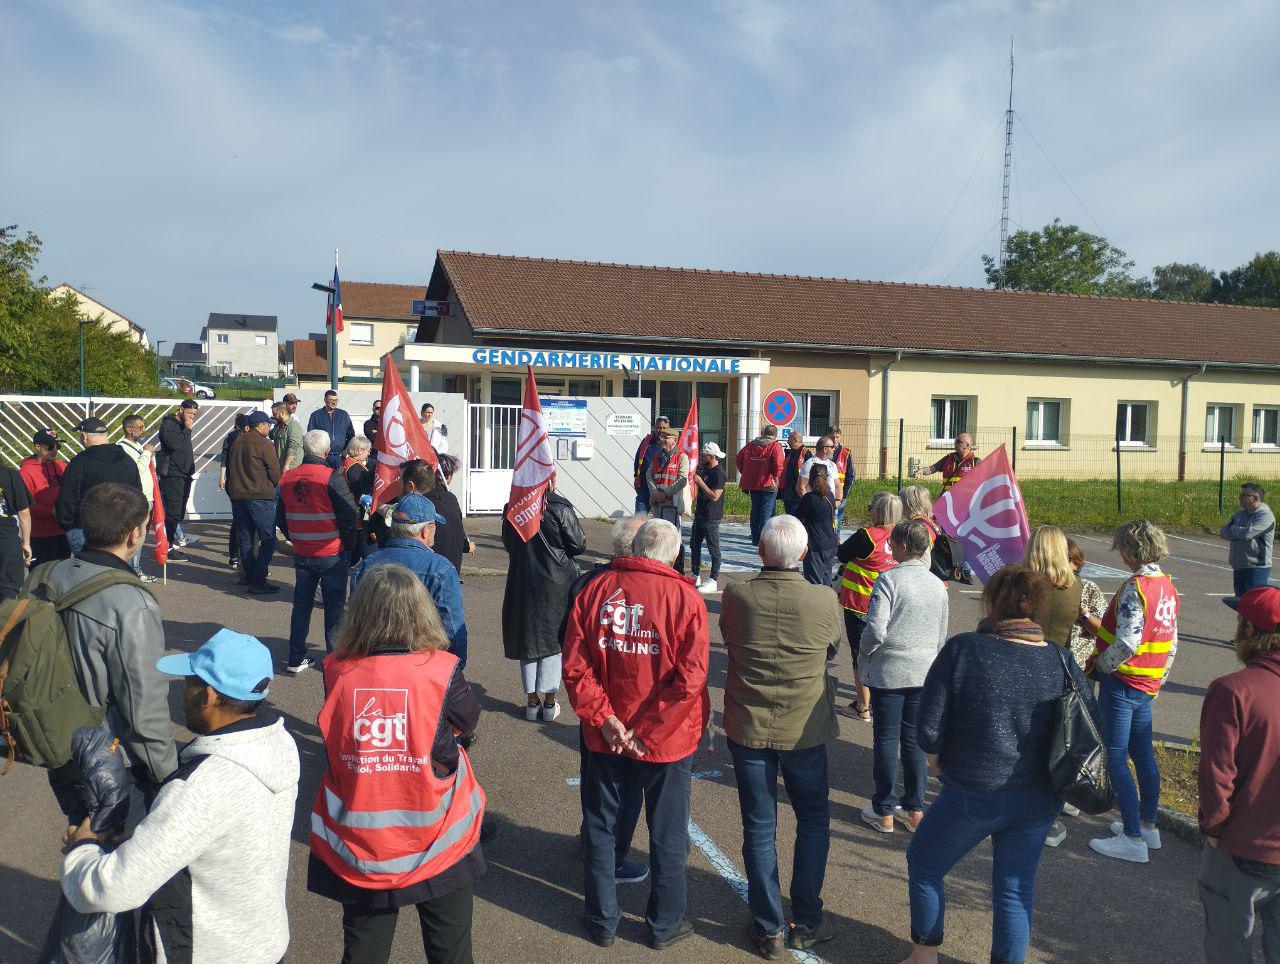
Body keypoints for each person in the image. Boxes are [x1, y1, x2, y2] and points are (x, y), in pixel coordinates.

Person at [60, 629, 299, 964]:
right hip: (265, 942)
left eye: (190, 682)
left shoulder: (201, 785)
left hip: (213, 954)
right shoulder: (281, 744)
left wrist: (82, 848)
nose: (183, 693)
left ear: (210, 695)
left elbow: (114, 888)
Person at [905, 566, 1098, 964]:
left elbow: (928, 728)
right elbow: (1090, 722)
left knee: (925, 863)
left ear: (991, 603)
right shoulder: (1061, 660)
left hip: (975, 790)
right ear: (1039, 608)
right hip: (1041, 797)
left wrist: (937, 762)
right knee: (1014, 888)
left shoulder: (964, 650)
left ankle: (924, 957)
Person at [308, 565, 484, 964]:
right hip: (439, 839)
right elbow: (467, 720)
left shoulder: (336, 670)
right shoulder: (440, 668)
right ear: (420, 612)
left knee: (363, 952)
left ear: (360, 613)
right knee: (451, 951)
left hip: (361, 844)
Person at [563, 518, 709, 950]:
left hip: (610, 736)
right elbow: (692, 678)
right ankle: (662, 925)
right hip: (665, 739)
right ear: (673, 553)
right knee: (666, 833)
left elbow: (575, 666)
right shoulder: (684, 597)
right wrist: (642, 730)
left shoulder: (595, 589)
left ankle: (602, 918)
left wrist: (607, 720)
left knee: (602, 824)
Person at [720, 515, 841, 956]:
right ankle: (806, 919)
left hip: (749, 725)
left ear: (760, 551)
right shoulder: (824, 599)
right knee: (812, 819)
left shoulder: (737, 596)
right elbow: (831, 650)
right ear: (805, 554)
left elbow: (730, 639)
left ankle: (768, 924)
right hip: (804, 728)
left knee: (759, 824)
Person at [42, 483, 177, 795]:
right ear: (133, 534)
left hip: (55, 736)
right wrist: (167, 776)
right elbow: (143, 705)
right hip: (109, 757)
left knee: (82, 835)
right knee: (118, 839)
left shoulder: (53, 574)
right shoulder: (131, 604)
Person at [563, 513, 652, 889]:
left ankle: (593, 843)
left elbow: (566, 644)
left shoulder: (585, 582)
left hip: (593, 706)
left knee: (596, 780)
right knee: (626, 789)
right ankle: (610, 858)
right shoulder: (638, 588)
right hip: (626, 711)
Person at [1086, 519, 1180, 863]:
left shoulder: (1134, 588)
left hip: (1124, 681)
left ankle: (1131, 836)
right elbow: (1171, 640)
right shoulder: (1167, 586)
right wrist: (1159, 680)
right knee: (1142, 754)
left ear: (1128, 550)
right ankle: (1147, 824)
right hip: (1148, 681)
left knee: (1115, 755)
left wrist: (1101, 665)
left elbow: (1127, 640)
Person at [1199, 586, 1280, 963]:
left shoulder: (1233, 691)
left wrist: (1214, 828)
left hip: (1242, 846)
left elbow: (1218, 774)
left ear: (1249, 629)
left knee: (1230, 947)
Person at [858, 520, 949, 835]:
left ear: (904, 547)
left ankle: (883, 808)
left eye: (893, 544)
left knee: (886, 738)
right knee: (913, 740)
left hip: (890, 670)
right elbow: (941, 635)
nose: (889, 548)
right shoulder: (937, 584)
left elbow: (876, 629)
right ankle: (914, 808)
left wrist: (865, 652)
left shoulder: (888, 580)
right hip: (923, 670)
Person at [353, 493, 468, 668]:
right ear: (425, 530)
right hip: (422, 668)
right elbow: (452, 626)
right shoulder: (440, 569)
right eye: (434, 525)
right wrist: (456, 668)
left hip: (374, 666)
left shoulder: (367, 564)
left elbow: (356, 621)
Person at [502, 483, 586, 720]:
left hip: (523, 580)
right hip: (557, 583)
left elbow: (509, 544)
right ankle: (549, 703)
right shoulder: (559, 506)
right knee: (554, 640)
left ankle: (531, 702)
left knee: (528, 640)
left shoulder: (513, 507)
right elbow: (578, 544)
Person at [277, 429, 358, 673]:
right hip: (331, 552)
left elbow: (280, 516)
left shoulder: (288, 478)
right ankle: (333, 660)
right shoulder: (332, 477)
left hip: (303, 551)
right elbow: (348, 515)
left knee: (301, 605)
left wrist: (294, 538)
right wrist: (349, 547)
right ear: (325, 451)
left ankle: (295, 657)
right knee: (334, 607)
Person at [836, 493, 902, 721]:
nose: (868, 511)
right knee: (882, 654)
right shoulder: (902, 535)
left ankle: (863, 706)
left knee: (860, 655)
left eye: (870, 507)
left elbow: (841, 553)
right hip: (890, 605)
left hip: (860, 604)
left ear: (878, 511)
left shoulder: (867, 535)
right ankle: (878, 701)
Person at [55, 417, 143, 555]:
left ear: (84, 436)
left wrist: (67, 525)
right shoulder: (128, 461)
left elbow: (67, 500)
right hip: (122, 531)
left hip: (87, 532)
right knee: (121, 574)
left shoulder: (79, 464)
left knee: (91, 574)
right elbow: (138, 496)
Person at [227, 411, 282, 594]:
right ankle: (259, 578)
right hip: (260, 496)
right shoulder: (264, 443)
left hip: (238, 497)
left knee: (246, 538)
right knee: (268, 538)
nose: (270, 427)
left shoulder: (236, 442)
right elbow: (275, 472)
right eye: (268, 424)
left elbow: (230, 469)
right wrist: (273, 485)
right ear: (261, 425)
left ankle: (250, 577)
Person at [118, 414, 159, 583]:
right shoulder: (122, 448)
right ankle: (131, 570)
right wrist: (147, 454)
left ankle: (134, 568)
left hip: (148, 496)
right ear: (129, 429)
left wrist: (150, 454)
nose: (143, 430)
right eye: (140, 427)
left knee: (141, 536)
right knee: (134, 536)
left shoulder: (137, 445)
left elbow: (150, 469)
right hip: (137, 497)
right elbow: (137, 470)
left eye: (143, 426)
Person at [19, 429, 67, 568]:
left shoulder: (61, 466)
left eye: (57, 446)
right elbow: (24, 504)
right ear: (38, 447)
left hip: (62, 531)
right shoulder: (26, 472)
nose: (54, 450)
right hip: (39, 535)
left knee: (62, 576)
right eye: (50, 447)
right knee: (39, 578)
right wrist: (50, 512)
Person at [156, 399, 199, 548]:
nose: (191, 417)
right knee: (172, 513)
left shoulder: (183, 426)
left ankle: (170, 543)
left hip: (185, 475)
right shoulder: (169, 425)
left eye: (194, 414)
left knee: (179, 513)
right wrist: (187, 429)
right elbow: (173, 444)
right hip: (172, 474)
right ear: (181, 409)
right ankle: (167, 545)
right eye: (189, 413)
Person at [1220, 482, 1274, 598]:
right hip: (1239, 567)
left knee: (1254, 607)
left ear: (1255, 498)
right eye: (1241, 494)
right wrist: (1239, 531)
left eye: (1244, 495)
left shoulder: (1265, 516)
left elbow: (1247, 534)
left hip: (1256, 569)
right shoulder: (1239, 513)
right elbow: (1224, 533)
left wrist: (1234, 529)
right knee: (1241, 606)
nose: (1240, 497)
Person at [646, 427, 688, 574]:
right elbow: (649, 475)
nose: (662, 440)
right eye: (661, 437)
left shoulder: (682, 457)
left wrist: (666, 492)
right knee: (657, 535)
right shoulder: (657, 456)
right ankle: (658, 566)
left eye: (665, 437)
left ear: (674, 440)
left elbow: (683, 479)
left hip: (672, 504)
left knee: (673, 537)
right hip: (658, 502)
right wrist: (655, 492)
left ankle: (676, 569)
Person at [736, 425, 785, 546]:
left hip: (753, 483)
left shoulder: (752, 445)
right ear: (775, 435)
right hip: (769, 483)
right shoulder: (775, 446)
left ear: (762, 433)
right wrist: (776, 476)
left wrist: (746, 472)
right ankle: (764, 540)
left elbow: (739, 458)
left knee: (755, 510)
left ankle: (755, 537)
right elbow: (778, 464)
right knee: (766, 512)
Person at [689, 442, 726, 594]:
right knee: (694, 544)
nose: (701, 458)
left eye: (704, 456)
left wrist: (700, 483)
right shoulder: (703, 468)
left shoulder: (719, 473)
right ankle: (695, 573)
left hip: (712, 516)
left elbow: (714, 496)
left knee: (713, 548)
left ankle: (713, 579)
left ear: (711, 457)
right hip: (700, 513)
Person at [899, 485, 955, 583]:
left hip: (926, 583)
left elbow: (924, 561)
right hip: (937, 581)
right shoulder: (929, 521)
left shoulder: (918, 527)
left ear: (909, 504)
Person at [1065, 538, 1106, 670]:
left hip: (1080, 666)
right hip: (1047, 662)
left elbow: (1103, 631)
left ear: (1075, 563)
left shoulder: (1089, 588)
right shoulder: (1040, 585)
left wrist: (1083, 614)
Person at [793, 464, 838, 587]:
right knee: (826, 580)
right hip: (830, 544)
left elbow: (797, 517)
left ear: (811, 479)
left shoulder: (809, 498)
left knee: (814, 583)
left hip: (815, 545)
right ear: (827, 478)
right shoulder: (830, 496)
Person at [431, 454, 475, 575]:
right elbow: (456, 529)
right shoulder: (449, 499)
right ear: (448, 476)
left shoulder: (422, 495)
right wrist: (466, 546)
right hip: (448, 563)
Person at [219, 414, 251, 573]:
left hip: (232, 481)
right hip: (242, 483)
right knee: (241, 520)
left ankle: (234, 556)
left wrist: (222, 477)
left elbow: (223, 458)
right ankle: (239, 557)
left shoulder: (229, 438)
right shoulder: (243, 438)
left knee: (237, 519)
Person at [0, 459, 32, 599]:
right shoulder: (9, 473)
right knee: (8, 589)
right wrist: (26, 543)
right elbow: (23, 512)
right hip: (6, 539)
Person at [342, 436, 375, 564]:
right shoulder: (355, 468)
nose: (369, 453)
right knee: (370, 556)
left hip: (351, 514)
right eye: (368, 450)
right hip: (359, 516)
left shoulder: (346, 463)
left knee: (352, 556)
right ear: (361, 450)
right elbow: (361, 491)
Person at [911, 432, 978, 492]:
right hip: (948, 500)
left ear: (966, 445)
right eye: (955, 441)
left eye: (958, 441)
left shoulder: (975, 462)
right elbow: (931, 469)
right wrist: (922, 471)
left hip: (964, 501)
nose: (955, 443)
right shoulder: (948, 458)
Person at [632, 415, 670, 514]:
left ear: (668, 428)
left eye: (663, 428)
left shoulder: (670, 445)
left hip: (661, 488)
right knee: (640, 515)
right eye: (658, 428)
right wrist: (636, 476)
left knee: (660, 520)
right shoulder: (647, 441)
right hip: (644, 485)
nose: (660, 430)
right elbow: (638, 459)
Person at [308, 390, 354, 470]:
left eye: (336, 400)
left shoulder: (343, 415)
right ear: (325, 400)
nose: (334, 403)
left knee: (338, 479)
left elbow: (351, 434)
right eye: (331, 400)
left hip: (339, 457)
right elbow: (311, 435)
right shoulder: (316, 415)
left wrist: (346, 450)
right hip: (322, 457)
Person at [827, 426, 856, 534]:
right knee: (826, 522)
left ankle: (836, 544)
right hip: (825, 493)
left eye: (837, 437)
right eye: (833, 437)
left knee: (836, 523)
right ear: (828, 436)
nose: (835, 439)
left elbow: (851, 476)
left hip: (839, 495)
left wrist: (843, 495)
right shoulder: (824, 450)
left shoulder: (846, 453)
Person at [780, 431, 810, 515]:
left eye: (789, 438)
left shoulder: (806, 453)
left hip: (799, 495)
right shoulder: (789, 453)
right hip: (788, 494)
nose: (787, 441)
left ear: (795, 439)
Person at [271, 399, 304, 475]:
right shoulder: (278, 426)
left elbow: (292, 448)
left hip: (291, 467)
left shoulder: (294, 427)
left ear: (282, 413)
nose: (273, 416)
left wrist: (286, 466)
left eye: (275, 414)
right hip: (280, 465)